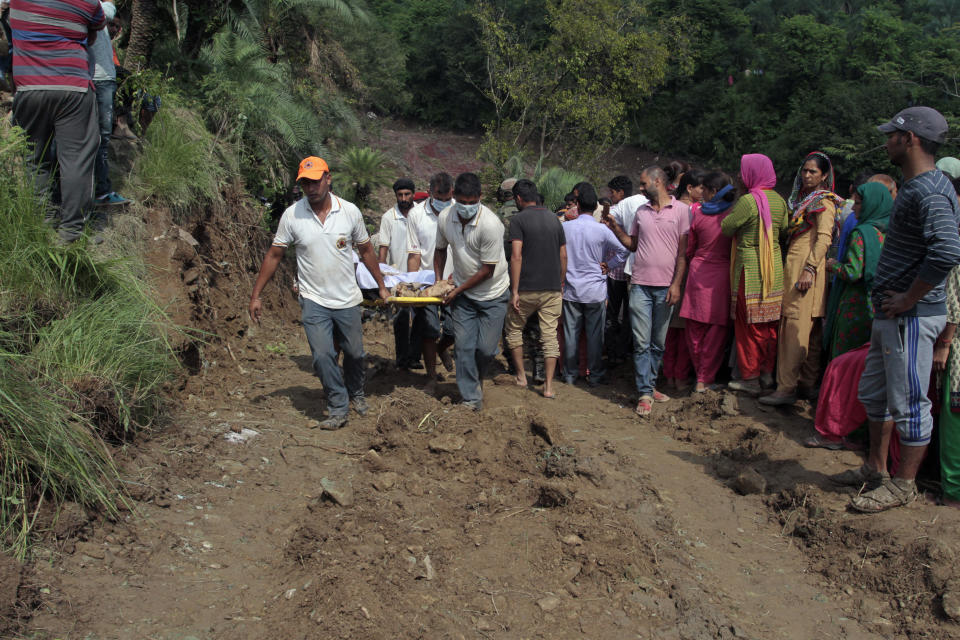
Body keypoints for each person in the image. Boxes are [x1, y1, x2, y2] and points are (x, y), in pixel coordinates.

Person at [844, 106, 960, 513]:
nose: (887, 141)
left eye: (892, 135)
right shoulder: (917, 186)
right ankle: (875, 469)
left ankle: (904, 484)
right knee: (875, 394)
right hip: (892, 314)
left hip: (910, 315)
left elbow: (947, 249)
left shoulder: (928, 190)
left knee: (909, 401)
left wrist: (910, 297)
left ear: (909, 139)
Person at [249, 157, 390, 430]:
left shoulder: (349, 212)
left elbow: (366, 251)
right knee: (322, 356)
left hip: (347, 298)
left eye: (315, 181)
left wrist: (381, 285)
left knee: (355, 353)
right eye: (305, 183)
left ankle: (356, 393)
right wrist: (256, 295)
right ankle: (338, 405)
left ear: (328, 178)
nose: (311, 188)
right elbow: (275, 255)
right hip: (313, 299)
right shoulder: (293, 215)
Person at [10, 0, 106, 244]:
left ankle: (40, 222)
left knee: (34, 158)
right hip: (72, 87)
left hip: (29, 87)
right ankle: (72, 233)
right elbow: (96, 29)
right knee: (75, 160)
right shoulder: (87, 2)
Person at [604, 167, 689, 416]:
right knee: (641, 342)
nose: (640, 189)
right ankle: (644, 391)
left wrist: (676, 284)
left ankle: (649, 387)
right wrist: (614, 228)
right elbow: (633, 245)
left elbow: (683, 254)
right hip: (640, 284)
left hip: (666, 287)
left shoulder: (682, 212)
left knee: (658, 343)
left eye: (643, 184)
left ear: (658, 181)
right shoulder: (641, 212)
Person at [760, 152, 844, 405]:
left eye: (813, 172)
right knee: (812, 331)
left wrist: (809, 268)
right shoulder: (804, 201)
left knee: (794, 329)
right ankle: (806, 385)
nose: (807, 176)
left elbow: (824, 239)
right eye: (805, 171)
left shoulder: (823, 203)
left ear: (824, 176)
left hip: (805, 273)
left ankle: (786, 388)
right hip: (803, 271)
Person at [433, 172, 510, 411]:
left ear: (479, 198)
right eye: (462, 202)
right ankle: (471, 399)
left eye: (471, 202)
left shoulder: (490, 224)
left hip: (493, 294)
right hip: (464, 295)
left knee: (486, 349)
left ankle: (474, 383)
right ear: (454, 196)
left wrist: (457, 290)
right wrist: (439, 283)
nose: (466, 207)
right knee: (464, 346)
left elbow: (488, 270)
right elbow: (440, 250)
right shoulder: (446, 217)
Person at [721, 154, 789, 396]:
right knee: (769, 325)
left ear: (752, 173)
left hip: (749, 272)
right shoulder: (780, 202)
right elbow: (783, 231)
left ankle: (749, 377)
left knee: (748, 326)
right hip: (774, 271)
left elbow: (726, 227)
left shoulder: (748, 202)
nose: (740, 176)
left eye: (743, 171)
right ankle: (767, 374)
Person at [505, 179, 566, 398]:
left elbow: (516, 256)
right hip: (552, 289)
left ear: (518, 199)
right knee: (549, 336)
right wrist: (559, 282)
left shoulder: (518, 220)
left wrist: (514, 290)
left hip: (526, 289)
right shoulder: (554, 219)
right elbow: (563, 255)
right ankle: (549, 387)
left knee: (513, 330)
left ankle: (521, 376)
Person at [564, 183, 628, 386]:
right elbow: (624, 251)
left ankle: (570, 374)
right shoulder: (602, 230)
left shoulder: (565, 227)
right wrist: (609, 266)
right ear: (595, 207)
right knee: (594, 336)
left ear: (578, 205)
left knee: (571, 334)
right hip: (595, 290)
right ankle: (596, 375)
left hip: (571, 289)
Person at [680, 172, 735, 392]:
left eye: (705, 190)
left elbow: (690, 249)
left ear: (713, 192)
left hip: (697, 273)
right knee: (716, 332)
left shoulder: (699, 215)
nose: (702, 194)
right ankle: (705, 378)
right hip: (721, 276)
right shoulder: (731, 217)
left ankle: (699, 375)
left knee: (694, 330)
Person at [823, 182, 892, 359]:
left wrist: (832, 265)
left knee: (848, 358)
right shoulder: (889, 233)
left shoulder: (861, 233)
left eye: (859, 203)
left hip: (856, 304)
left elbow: (853, 272)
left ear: (871, 204)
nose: (853, 208)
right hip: (880, 306)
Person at [407, 172, 456, 392]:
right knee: (429, 330)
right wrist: (412, 287)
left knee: (453, 330)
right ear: (429, 193)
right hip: (427, 283)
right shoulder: (416, 215)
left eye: (447, 197)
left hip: (456, 283)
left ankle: (441, 348)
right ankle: (431, 376)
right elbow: (414, 254)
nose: (444, 201)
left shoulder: (460, 210)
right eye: (439, 196)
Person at [663, 169, 706, 390]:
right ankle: (679, 376)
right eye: (701, 188)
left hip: (669, 271)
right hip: (687, 273)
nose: (704, 192)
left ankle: (669, 374)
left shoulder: (669, 207)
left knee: (669, 327)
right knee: (682, 329)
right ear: (690, 188)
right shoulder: (695, 211)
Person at [604, 176, 648, 364]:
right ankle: (626, 349)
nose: (610, 196)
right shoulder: (647, 203)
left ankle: (612, 350)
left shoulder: (621, 206)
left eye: (612, 193)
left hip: (618, 270)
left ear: (621, 193)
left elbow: (608, 221)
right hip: (635, 269)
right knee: (631, 313)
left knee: (613, 312)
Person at [89, 0, 128, 208]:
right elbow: (107, 11)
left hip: (99, 77)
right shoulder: (93, 7)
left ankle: (98, 190)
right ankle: (100, 192)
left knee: (99, 139)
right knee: (100, 139)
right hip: (98, 78)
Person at [379, 177, 421, 370]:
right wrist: (381, 272)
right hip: (398, 277)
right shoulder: (389, 217)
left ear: (413, 194)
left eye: (407, 194)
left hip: (420, 275)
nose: (404, 198)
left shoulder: (421, 214)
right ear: (396, 196)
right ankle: (403, 358)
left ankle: (416, 356)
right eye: (400, 195)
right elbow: (383, 247)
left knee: (422, 317)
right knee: (402, 318)